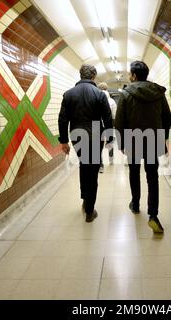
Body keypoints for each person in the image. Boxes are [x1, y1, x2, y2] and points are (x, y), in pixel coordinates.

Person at [114, 61, 171, 233]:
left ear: (134, 75)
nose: (129, 76)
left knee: (134, 172)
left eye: (130, 73)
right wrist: (164, 137)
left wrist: (122, 143)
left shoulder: (126, 94)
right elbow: (167, 117)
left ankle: (135, 203)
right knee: (152, 176)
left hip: (133, 139)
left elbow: (119, 121)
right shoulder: (158, 92)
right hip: (153, 139)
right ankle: (153, 214)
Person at [58, 64, 113, 223]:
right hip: (96, 133)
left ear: (80, 75)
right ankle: (90, 210)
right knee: (93, 170)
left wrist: (63, 141)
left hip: (76, 134)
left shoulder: (68, 94)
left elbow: (63, 119)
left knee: (84, 165)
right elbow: (107, 117)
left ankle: (85, 199)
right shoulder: (100, 94)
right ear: (94, 76)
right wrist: (109, 138)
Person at [97, 82, 117, 172]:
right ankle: (111, 160)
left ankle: (100, 164)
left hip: (98, 125)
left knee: (98, 145)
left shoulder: (95, 97)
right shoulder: (111, 101)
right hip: (108, 125)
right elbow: (114, 115)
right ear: (106, 89)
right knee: (110, 142)